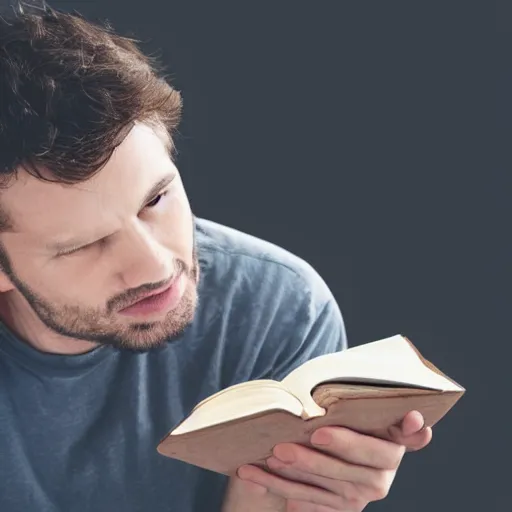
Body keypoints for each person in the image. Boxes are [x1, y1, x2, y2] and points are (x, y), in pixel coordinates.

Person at [0, 5, 432, 512]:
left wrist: (308, 502)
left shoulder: (277, 306)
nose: (158, 268)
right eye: (83, 244)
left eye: (155, 200)